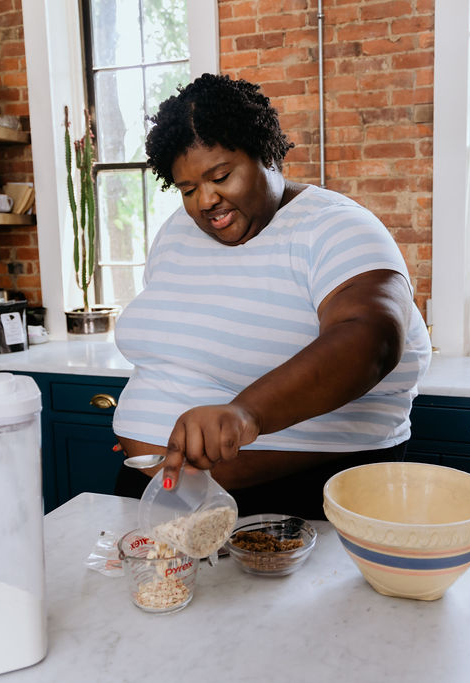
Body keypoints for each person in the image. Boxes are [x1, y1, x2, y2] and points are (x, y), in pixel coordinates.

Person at [112, 73, 431, 519]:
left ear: (267, 153)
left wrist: (245, 414)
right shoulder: (176, 233)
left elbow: (371, 338)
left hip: (292, 503)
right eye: (187, 189)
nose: (205, 200)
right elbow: (177, 341)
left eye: (221, 176)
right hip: (161, 492)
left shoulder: (336, 226)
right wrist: (148, 418)